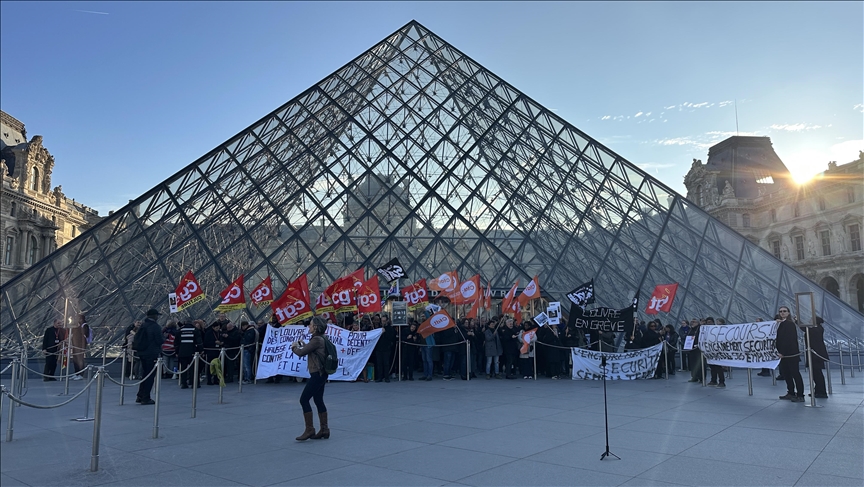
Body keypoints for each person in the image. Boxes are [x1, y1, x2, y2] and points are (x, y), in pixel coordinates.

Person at [291, 317, 331, 441]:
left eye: (311, 325)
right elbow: (311, 350)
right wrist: (304, 345)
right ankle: (324, 429)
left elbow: (301, 353)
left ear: (316, 327)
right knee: (318, 400)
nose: (309, 326)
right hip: (322, 373)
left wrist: (294, 347)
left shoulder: (316, 340)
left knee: (304, 400)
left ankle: (310, 429)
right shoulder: (321, 338)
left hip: (316, 373)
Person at [132, 308, 164, 405]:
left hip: (142, 353)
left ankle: (140, 395)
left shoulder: (143, 325)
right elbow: (159, 340)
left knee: (145, 375)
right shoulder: (155, 326)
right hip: (151, 353)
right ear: (154, 316)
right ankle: (146, 397)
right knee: (150, 376)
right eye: (157, 315)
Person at [775, 306, 804, 402]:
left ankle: (800, 395)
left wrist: (783, 352)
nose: (782, 313)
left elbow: (789, 340)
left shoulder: (790, 324)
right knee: (787, 374)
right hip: (782, 354)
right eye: (780, 311)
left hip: (791, 354)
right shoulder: (780, 324)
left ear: (788, 313)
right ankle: (790, 392)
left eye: (784, 311)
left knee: (795, 374)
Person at [804, 317, 829, 399]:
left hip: (816, 355)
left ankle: (821, 391)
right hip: (815, 354)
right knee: (815, 374)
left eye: (810, 320)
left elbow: (805, 329)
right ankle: (818, 390)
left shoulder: (817, 329)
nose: (809, 321)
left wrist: (797, 321)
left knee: (817, 374)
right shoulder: (817, 329)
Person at [177, 320, 203, 388]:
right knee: (194, 368)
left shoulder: (180, 330)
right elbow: (199, 341)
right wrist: (201, 350)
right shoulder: (195, 330)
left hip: (182, 352)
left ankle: (183, 383)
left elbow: (176, 342)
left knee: (183, 368)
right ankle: (194, 383)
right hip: (192, 352)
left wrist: (177, 352)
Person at [703, 317, 726, 388]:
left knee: (718, 367)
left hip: (717, 350)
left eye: (710, 322)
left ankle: (722, 382)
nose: (708, 323)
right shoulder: (706, 330)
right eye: (707, 322)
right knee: (712, 366)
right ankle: (713, 380)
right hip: (710, 350)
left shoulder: (717, 329)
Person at [374, 316, 396, 382]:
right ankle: (380, 377)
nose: (383, 322)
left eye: (384, 321)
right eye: (382, 321)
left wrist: (385, 332)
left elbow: (391, 337)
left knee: (386, 363)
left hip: (386, 348)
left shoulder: (390, 329)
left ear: (387, 321)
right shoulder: (378, 328)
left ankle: (387, 377)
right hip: (379, 348)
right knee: (379, 363)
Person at [69, 314, 90, 379]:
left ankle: (81, 374)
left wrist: (83, 347)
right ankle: (77, 373)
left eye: (77, 318)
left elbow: (85, 336)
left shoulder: (84, 326)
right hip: (75, 345)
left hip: (80, 346)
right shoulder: (77, 327)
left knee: (80, 360)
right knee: (75, 360)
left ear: (81, 319)